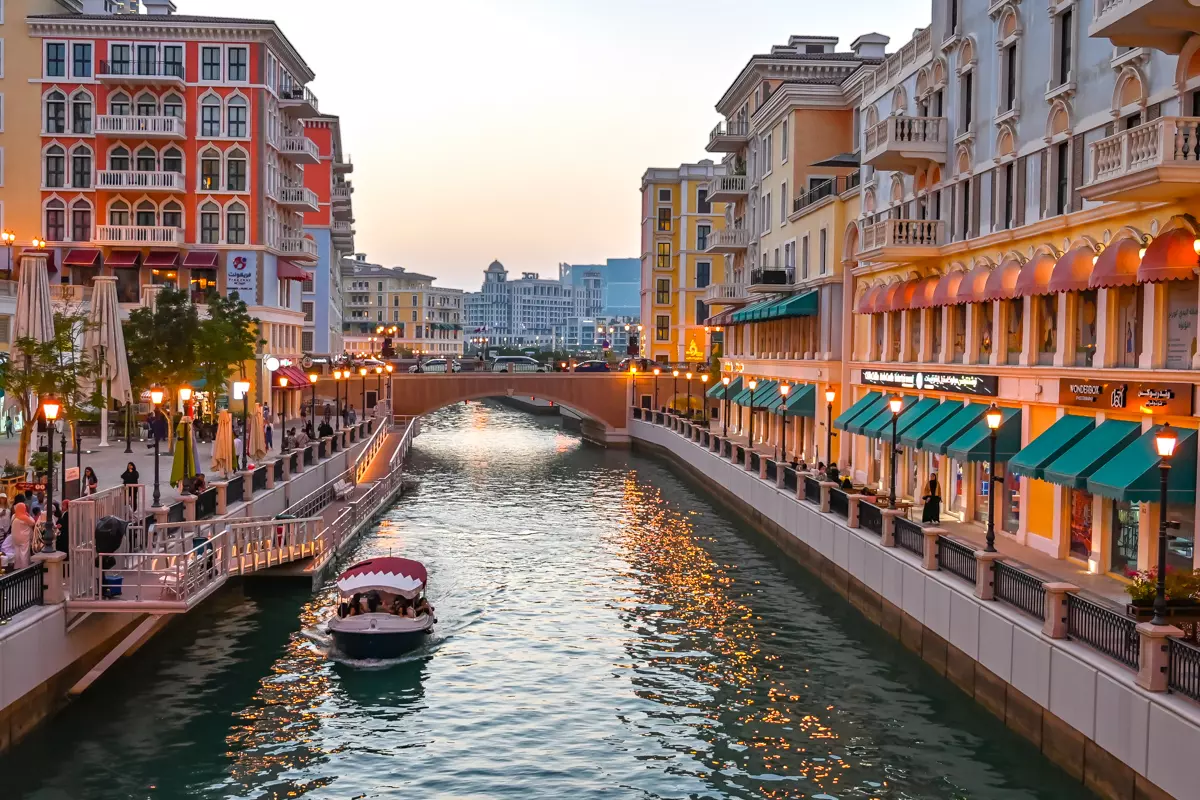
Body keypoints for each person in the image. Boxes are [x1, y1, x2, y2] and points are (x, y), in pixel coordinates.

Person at [7, 502, 34, 569]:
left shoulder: (14, 516)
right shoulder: (25, 517)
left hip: (15, 538)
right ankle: (24, 568)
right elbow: (33, 523)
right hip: (24, 538)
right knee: (24, 553)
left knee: (17, 552)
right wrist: (28, 515)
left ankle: (17, 567)